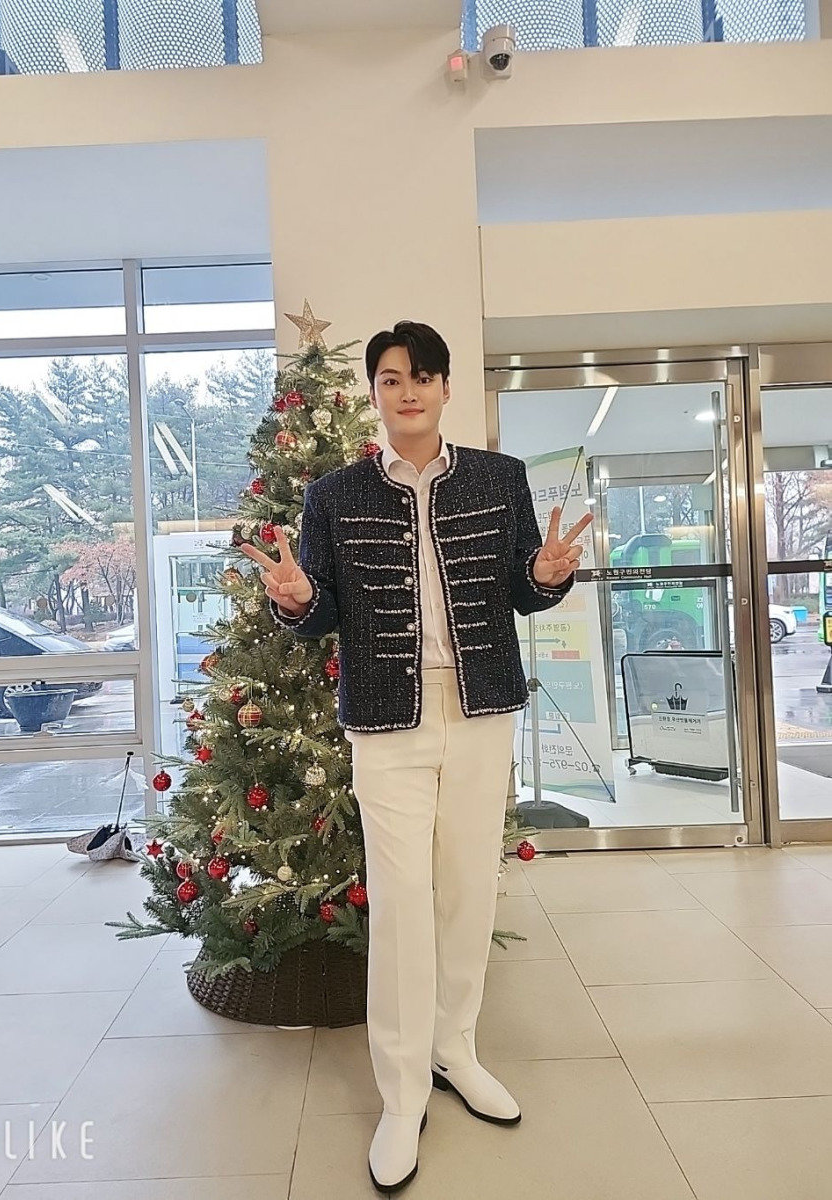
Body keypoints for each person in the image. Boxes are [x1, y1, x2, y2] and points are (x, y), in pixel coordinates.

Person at [239, 321, 591, 1193]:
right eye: (392, 378)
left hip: (480, 712)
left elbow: (521, 588)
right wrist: (297, 596)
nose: (409, 391)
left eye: (423, 376)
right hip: (386, 721)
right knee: (401, 902)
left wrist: (547, 574)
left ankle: (454, 1050)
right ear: (375, 392)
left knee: (469, 888)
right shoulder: (335, 495)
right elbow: (321, 608)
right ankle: (401, 1095)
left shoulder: (499, 478)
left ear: (444, 388)